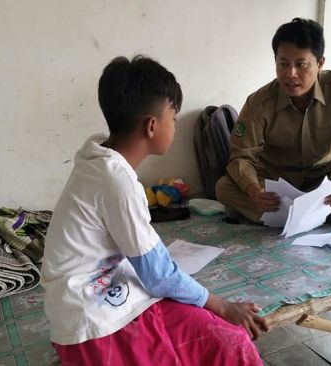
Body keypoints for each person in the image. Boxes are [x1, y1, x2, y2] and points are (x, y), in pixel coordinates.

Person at [41, 55, 268, 366]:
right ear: (152, 126)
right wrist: (223, 305)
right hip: (93, 320)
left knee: (223, 339)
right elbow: (159, 275)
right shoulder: (116, 180)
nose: (174, 127)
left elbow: (152, 267)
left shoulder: (98, 155)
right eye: (172, 118)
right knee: (225, 336)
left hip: (109, 293)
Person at [216, 18, 331, 226]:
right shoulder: (259, 102)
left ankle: (281, 218)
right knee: (224, 187)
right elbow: (241, 156)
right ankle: (320, 215)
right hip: (277, 182)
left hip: (326, 180)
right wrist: (254, 190)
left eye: (301, 64)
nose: (291, 74)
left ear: (320, 63)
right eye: (283, 64)